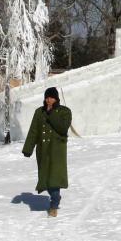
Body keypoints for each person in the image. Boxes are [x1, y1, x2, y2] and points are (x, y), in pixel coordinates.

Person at [22, 87, 72, 217]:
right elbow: (34, 131)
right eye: (47, 97)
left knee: (54, 179)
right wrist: (28, 148)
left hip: (57, 152)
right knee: (45, 179)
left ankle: (54, 205)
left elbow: (62, 128)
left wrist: (52, 113)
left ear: (56, 98)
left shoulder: (64, 112)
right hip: (43, 150)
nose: (48, 100)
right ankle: (55, 198)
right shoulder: (39, 112)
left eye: (51, 97)